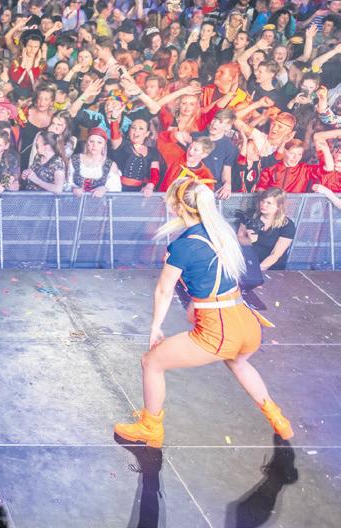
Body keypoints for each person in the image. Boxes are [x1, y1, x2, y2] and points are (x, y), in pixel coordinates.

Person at [113, 176, 293, 448]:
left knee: (151, 362)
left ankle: (150, 428)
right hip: (246, 322)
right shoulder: (220, 231)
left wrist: (155, 327)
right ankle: (278, 418)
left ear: (178, 206)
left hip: (220, 329)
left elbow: (163, 290)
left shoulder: (184, 245)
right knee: (238, 362)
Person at [237, 188, 296, 272]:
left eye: (269, 203)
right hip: (249, 261)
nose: (263, 205)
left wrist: (257, 270)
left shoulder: (287, 225)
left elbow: (275, 254)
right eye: (262, 201)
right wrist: (249, 241)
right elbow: (239, 237)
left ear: (279, 206)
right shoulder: (250, 215)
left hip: (272, 267)